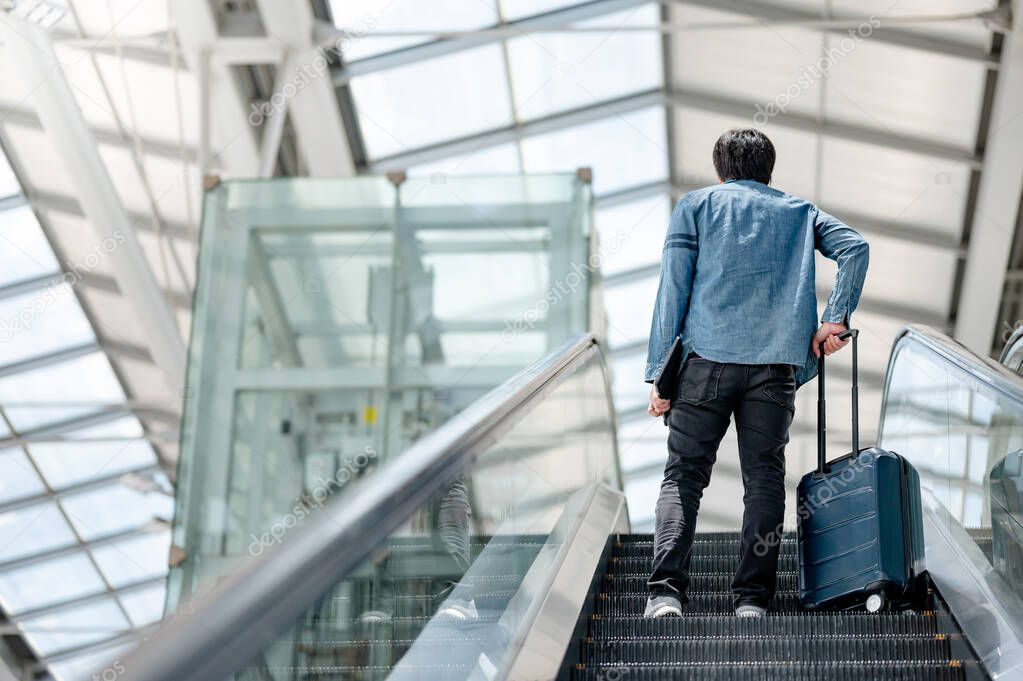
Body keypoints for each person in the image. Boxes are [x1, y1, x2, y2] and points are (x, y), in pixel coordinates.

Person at [642, 128, 869, 619]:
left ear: (721, 168)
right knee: (765, 480)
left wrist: (660, 376)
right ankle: (751, 601)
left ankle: (665, 594)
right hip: (773, 370)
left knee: (683, 477)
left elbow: (672, 291)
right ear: (769, 169)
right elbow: (856, 247)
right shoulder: (799, 211)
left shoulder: (697, 206)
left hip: (705, 364)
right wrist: (836, 318)